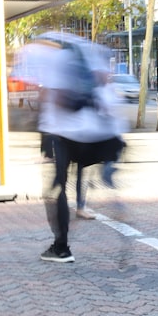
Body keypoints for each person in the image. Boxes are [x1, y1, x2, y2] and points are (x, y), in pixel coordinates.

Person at [37, 33, 127, 263]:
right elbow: (105, 84)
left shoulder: (57, 59)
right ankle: (107, 170)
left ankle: (61, 247)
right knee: (80, 173)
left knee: (56, 189)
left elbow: (55, 97)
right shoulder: (89, 55)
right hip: (93, 133)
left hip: (63, 133)